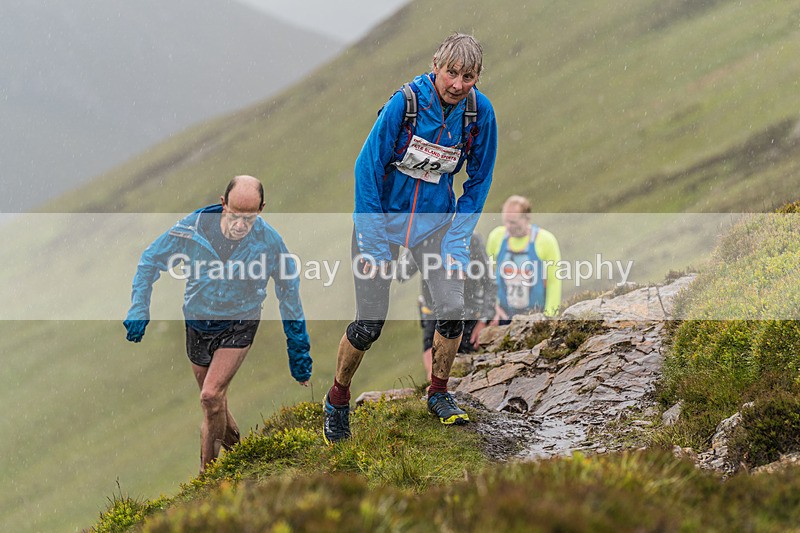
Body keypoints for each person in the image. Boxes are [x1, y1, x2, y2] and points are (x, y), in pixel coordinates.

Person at [323, 33, 498, 443]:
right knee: (369, 325)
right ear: (436, 65)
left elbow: (479, 181)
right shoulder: (406, 104)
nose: (457, 84)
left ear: (477, 77)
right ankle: (337, 399)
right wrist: (372, 240)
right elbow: (366, 169)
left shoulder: (479, 114)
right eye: (451, 73)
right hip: (381, 226)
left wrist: (456, 239)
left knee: (452, 309)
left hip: (435, 229)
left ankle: (438, 394)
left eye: (468, 77)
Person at [123, 175, 312, 473]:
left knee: (210, 396)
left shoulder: (269, 243)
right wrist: (139, 306)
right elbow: (150, 260)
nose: (240, 224)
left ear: (262, 209)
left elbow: (289, 293)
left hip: (240, 323)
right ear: (223, 204)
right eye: (234, 215)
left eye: (248, 218)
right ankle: (246, 458)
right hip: (198, 324)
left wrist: (299, 356)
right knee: (215, 405)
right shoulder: (192, 229)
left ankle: (206, 480)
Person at [401, 231, 498, 378]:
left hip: (468, 317)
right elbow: (402, 274)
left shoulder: (471, 239)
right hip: (433, 316)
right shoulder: (422, 236)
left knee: (463, 373)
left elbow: (490, 283)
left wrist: (484, 319)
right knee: (433, 374)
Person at [486, 195, 562, 323]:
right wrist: (491, 308)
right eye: (506, 221)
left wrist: (549, 318)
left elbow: (554, 282)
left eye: (513, 222)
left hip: (535, 317)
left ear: (527, 218)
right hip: (503, 316)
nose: (508, 226)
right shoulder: (496, 237)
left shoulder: (545, 240)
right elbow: (487, 277)